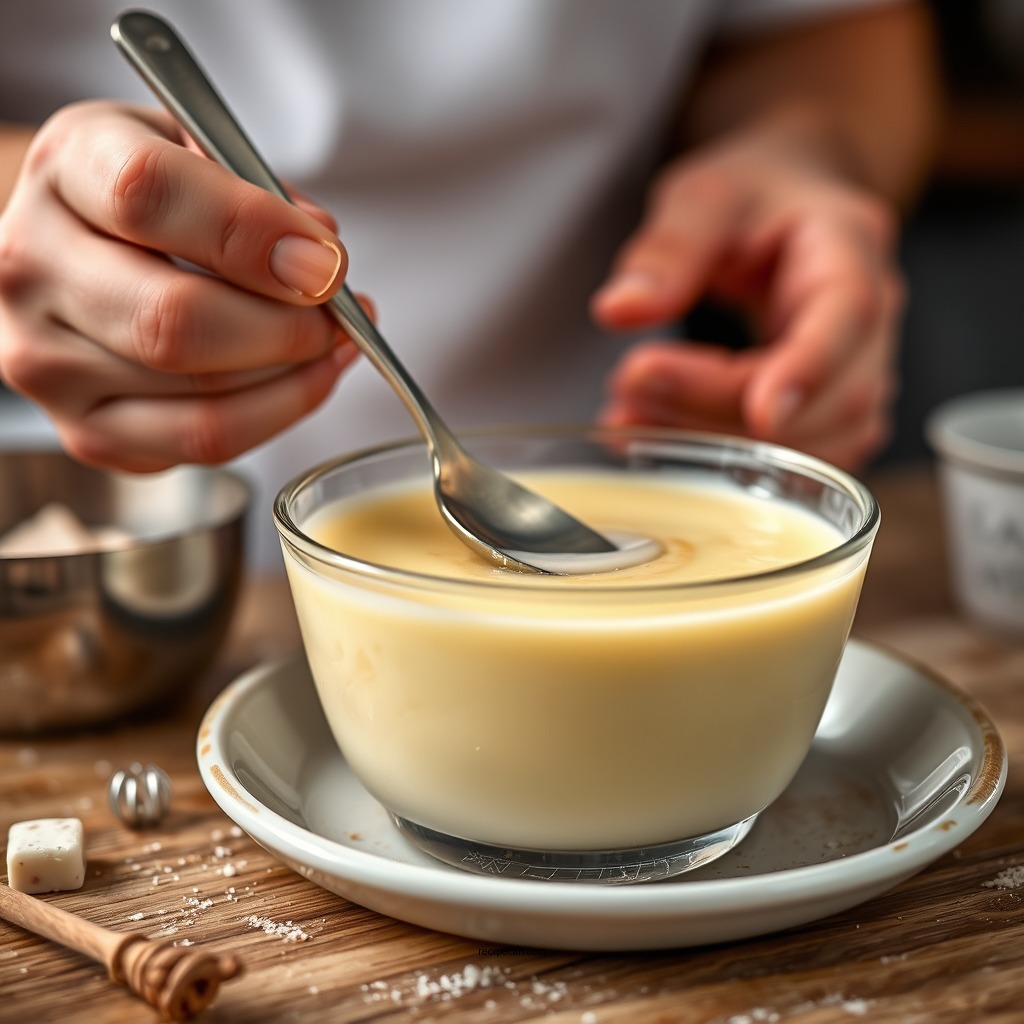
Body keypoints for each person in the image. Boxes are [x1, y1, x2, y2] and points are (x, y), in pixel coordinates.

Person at [0, 0, 938, 566]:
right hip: (96, 528)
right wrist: (49, 212)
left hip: (614, 448)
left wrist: (810, 153)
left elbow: (833, 37)